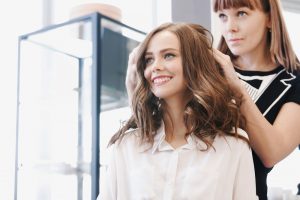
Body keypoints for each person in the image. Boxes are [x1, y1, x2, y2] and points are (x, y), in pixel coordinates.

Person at [99, 22, 258, 200]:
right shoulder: (124, 148)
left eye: (168, 55)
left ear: (195, 64)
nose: (156, 66)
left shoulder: (233, 147)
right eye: (149, 59)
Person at [212, 0, 300, 199]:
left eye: (241, 13)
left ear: (270, 18)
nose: (230, 27)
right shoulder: (207, 71)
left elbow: (272, 152)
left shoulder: (295, 82)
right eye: (223, 16)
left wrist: (237, 88)